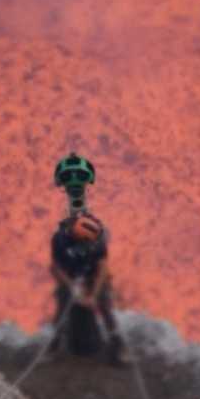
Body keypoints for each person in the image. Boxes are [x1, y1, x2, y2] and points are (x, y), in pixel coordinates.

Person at [48, 153, 129, 365]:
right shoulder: (60, 239)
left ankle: (118, 347)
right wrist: (73, 288)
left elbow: (102, 267)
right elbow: (56, 268)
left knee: (105, 305)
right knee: (62, 304)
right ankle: (55, 346)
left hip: (94, 277)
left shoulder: (97, 238)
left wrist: (93, 294)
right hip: (70, 277)